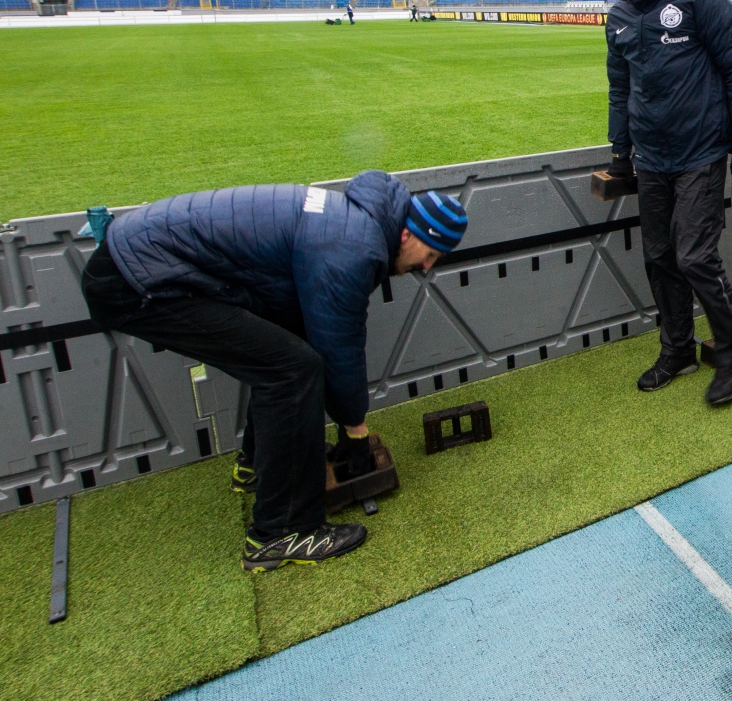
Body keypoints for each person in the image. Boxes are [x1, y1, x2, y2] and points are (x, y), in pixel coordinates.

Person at [79, 173, 468, 571]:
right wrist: (355, 429)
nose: (426, 266)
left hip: (138, 260)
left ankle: (255, 468)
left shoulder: (353, 221)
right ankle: (281, 533)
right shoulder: (352, 247)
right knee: (292, 371)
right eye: (431, 252)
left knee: (282, 355)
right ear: (407, 234)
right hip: (139, 280)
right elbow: (340, 349)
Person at [596, 0, 732, 405]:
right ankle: (679, 350)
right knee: (660, 257)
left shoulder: (701, 1)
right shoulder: (619, 16)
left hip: (701, 152)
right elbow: (619, 88)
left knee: (694, 256)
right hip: (650, 157)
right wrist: (620, 152)